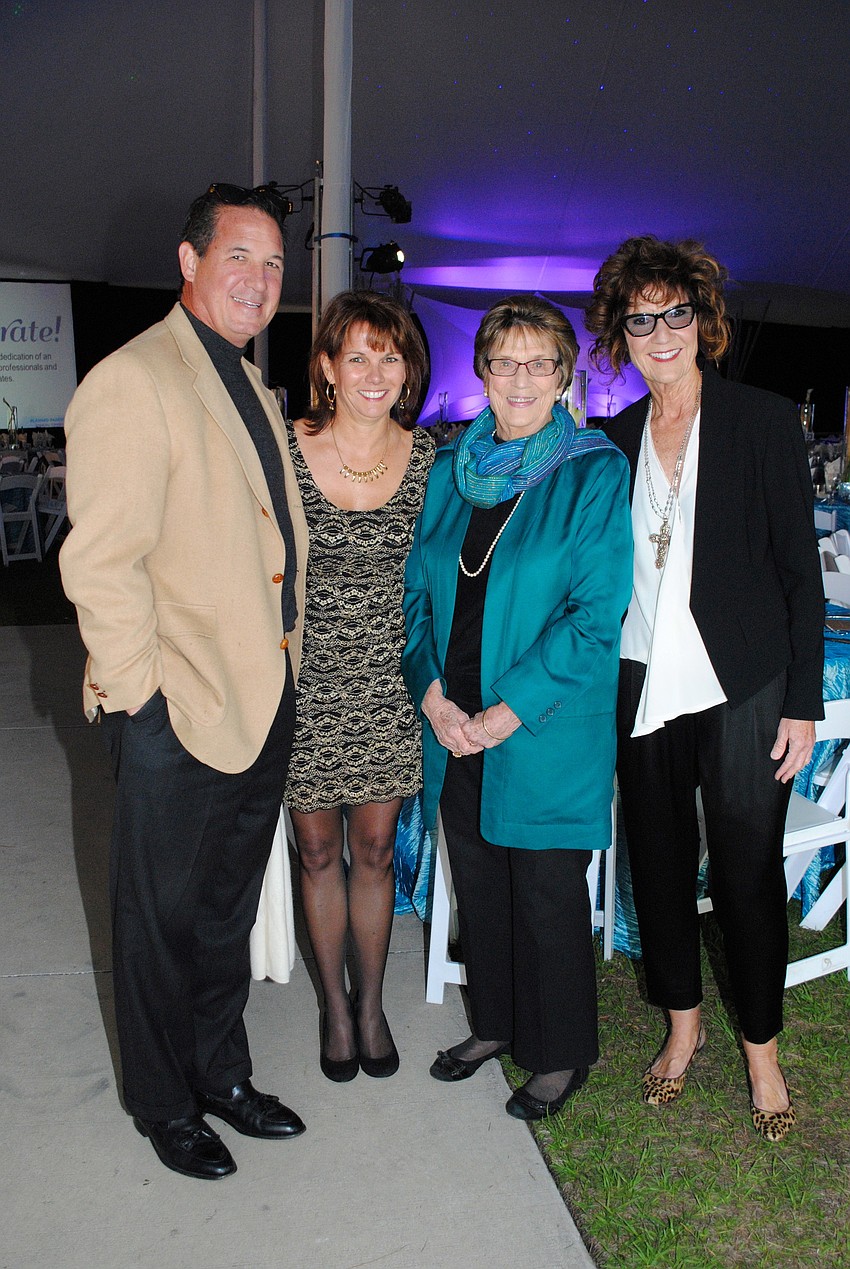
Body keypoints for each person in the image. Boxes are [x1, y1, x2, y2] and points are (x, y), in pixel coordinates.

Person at [59, 182, 310, 1180]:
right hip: (178, 708)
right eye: (239, 257)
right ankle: (165, 1104)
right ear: (189, 261)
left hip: (259, 699)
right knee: (159, 924)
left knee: (222, 915)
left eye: (273, 265)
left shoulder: (245, 380)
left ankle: (221, 1073)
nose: (258, 278)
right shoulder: (135, 378)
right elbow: (99, 563)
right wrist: (141, 697)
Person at [585, 235, 824, 1141]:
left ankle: (761, 1049)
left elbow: (801, 574)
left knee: (747, 870)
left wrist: (800, 699)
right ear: (623, 335)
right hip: (641, 680)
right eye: (639, 319)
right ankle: (683, 1027)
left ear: (702, 320)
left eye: (674, 313)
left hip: (741, 684)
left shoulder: (762, 420)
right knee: (654, 863)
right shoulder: (612, 441)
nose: (659, 332)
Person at [402, 295, 632, 1120]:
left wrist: (502, 715)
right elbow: (417, 601)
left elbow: (594, 617)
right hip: (452, 722)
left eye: (540, 363)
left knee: (544, 894)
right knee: (481, 886)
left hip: (538, 727)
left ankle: (560, 1051)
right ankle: (494, 1024)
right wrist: (432, 693)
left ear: (565, 376)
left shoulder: (593, 471)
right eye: (505, 362)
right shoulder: (450, 472)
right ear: (484, 374)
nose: (521, 378)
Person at [285, 291, 433, 1082]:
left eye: (391, 355)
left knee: (373, 851)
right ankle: (333, 1010)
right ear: (327, 368)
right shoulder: (284, 447)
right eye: (358, 355)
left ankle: (370, 1003)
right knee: (316, 852)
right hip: (304, 684)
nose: (375, 371)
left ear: (407, 370)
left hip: (390, 684)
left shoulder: (432, 460)